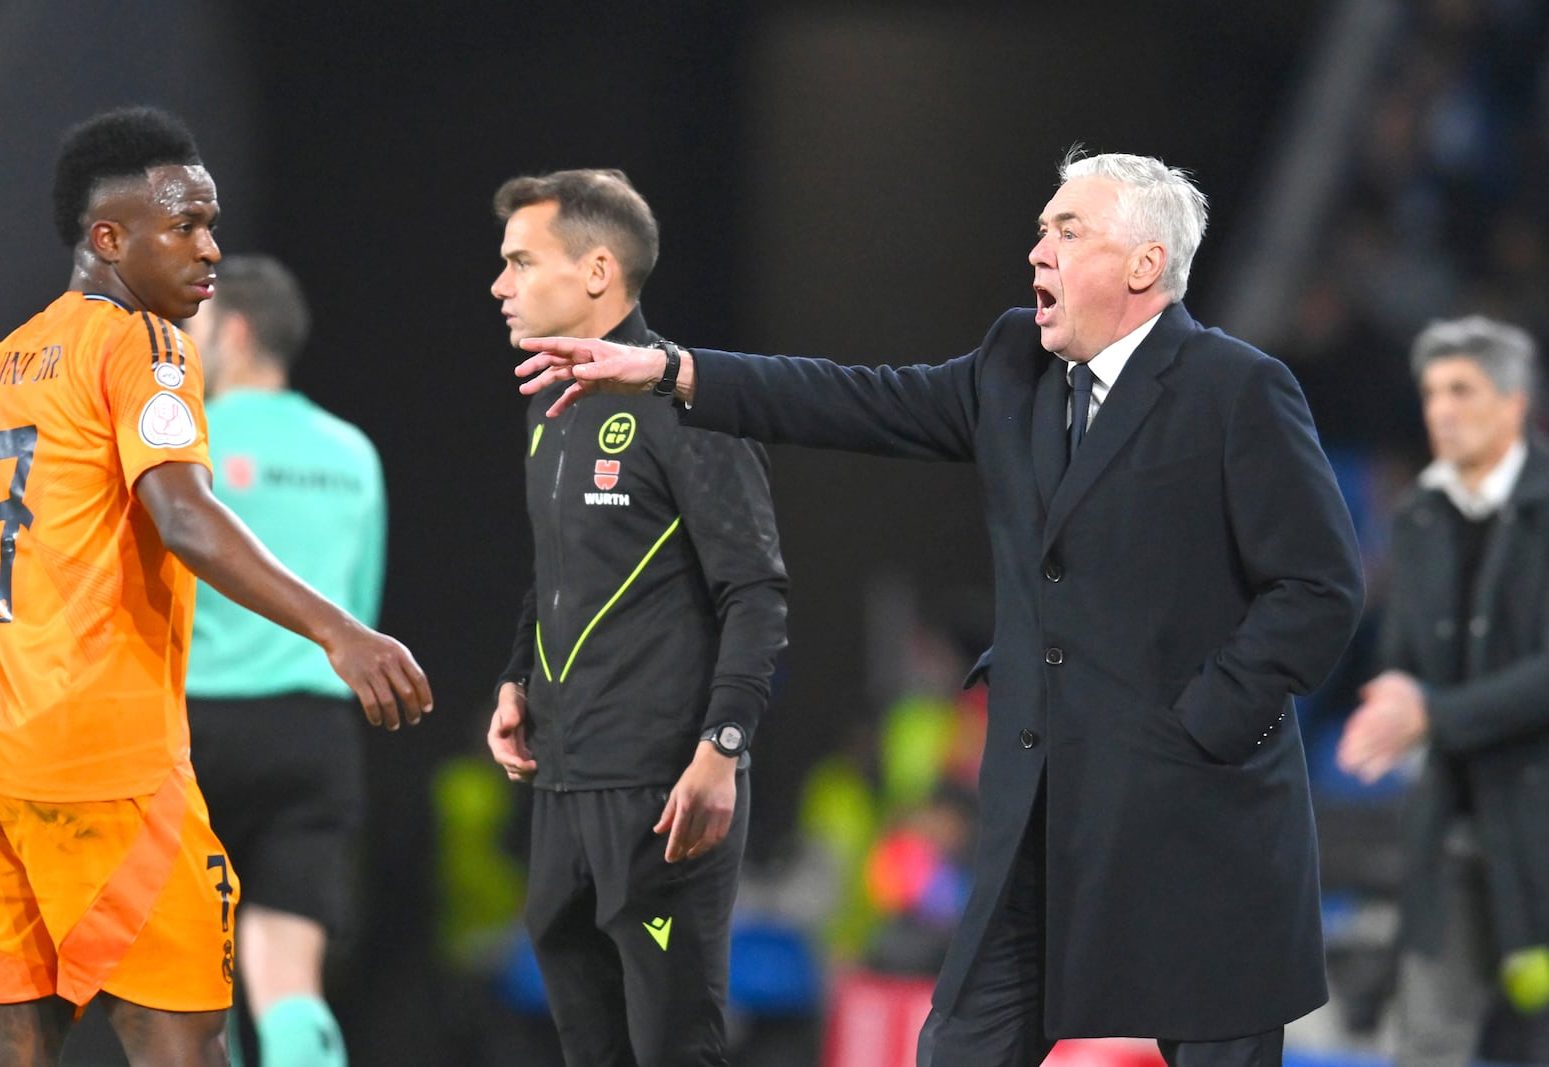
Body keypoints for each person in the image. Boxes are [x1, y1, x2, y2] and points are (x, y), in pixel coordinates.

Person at [514, 150, 1366, 1067]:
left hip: (1194, 822)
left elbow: (1319, 587)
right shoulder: (1014, 366)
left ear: (1144, 265)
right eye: (1041, 228)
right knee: (957, 1052)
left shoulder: (1236, 389)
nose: (1036, 250)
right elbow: (855, 398)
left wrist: (1202, 724)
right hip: (1040, 815)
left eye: (1065, 230)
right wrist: (674, 372)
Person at [0, 107, 431, 1067]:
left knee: (6, 1034)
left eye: (210, 223)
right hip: (113, 759)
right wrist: (340, 630)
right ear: (109, 239)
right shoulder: (145, 345)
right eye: (185, 226)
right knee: (183, 1038)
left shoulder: (3, 364)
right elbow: (183, 515)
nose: (210, 249)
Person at [485, 168, 788, 1066]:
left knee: (673, 1047)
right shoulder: (549, 404)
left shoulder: (688, 402)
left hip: (663, 791)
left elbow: (757, 590)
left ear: (596, 272)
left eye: (518, 261)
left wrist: (721, 749)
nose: (500, 285)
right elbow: (560, 570)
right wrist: (514, 675)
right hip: (562, 786)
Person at [1337, 316, 1549, 1067]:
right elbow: (1404, 651)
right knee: (1428, 1047)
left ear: (1512, 402)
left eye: (1461, 390)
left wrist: (1431, 712)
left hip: (1543, 837)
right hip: (1449, 833)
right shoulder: (1423, 516)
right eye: (1433, 392)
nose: (1442, 409)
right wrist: (1395, 692)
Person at [183, 254, 386, 1067]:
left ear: (232, 331)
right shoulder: (353, 451)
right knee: (289, 982)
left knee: (194, 987)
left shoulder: (185, 447)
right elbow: (358, 612)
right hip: (314, 733)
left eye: (193, 330)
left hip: (196, 734)